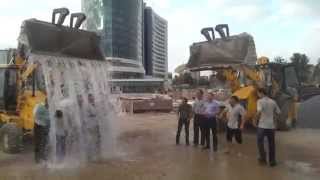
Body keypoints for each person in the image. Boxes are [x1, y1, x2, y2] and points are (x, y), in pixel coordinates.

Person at [256, 88, 281, 167]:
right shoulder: (273, 101)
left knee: (260, 142)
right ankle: (272, 161)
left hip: (262, 126)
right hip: (271, 126)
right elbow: (278, 112)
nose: (258, 95)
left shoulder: (259, 101)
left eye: (258, 93)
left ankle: (263, 157)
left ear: (261, 93)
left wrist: (254, 119)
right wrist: (276, 123)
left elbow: (259, 111)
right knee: (271, 144)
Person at [33, 98, 50, 163]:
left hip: (45, 126)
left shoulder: (49, 108)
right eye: (49, 102)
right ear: (46, 102)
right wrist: (46, 119)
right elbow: (36, 117)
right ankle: (37, 159)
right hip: (38, 126)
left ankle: (42, 156)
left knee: (44, 142)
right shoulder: (40, 108)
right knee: (38, 143)